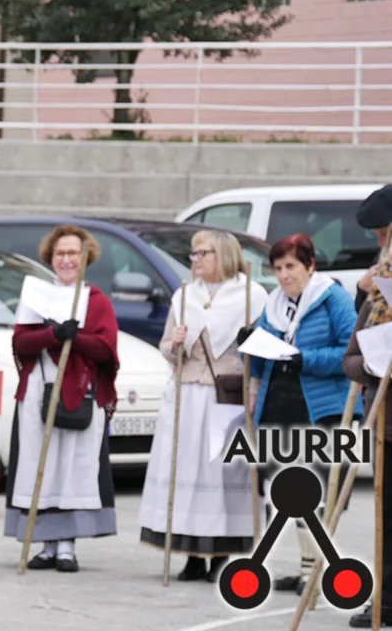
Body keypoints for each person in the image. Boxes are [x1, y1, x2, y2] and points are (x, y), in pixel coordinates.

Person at [138, 230, 268, 582]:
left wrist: (255, 389)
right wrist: (176, 344)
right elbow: (168, 349)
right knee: (185, 475)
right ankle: (191, 554)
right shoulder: (185, 295)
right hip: (187, 394)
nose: (195, 260)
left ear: (223, 254)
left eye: (203, 253)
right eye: (193, 254)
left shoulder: (252, 295)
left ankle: (221, 554)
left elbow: (262, 353)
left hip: (226, 395)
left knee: (221, 475)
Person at [241, 233, 361, 597]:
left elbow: (350, 352)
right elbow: (261, 355)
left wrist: (305, 358)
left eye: (290, 266)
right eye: (277, 268)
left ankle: (315, 570)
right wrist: (248, 343)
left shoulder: (333, 298)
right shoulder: (275, 304)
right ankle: (306, 566)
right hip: (280, 402)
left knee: (316, 490)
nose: (283, 275)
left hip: (321, 407)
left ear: (310, 265)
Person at [4, 224, 120, 573]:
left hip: (80, 391)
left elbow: (106, 349)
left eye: (73, 253)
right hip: (39, 390)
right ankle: (47, 544)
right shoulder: (36, 296)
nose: (66, 260)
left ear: (86, 258)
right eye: (60, 253)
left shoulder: (96, 301)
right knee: (43, 465)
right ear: (50, 258)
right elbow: (21, 342)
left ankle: (67, 545)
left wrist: (76, 337)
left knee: (72, 467)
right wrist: (54, 333)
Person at [343, 230, 392, 628]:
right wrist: (375, 365)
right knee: (387, 518)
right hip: (385, 425)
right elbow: (350, 359)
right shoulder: (377, 299)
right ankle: (387, 599)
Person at [354, 183, 392, 313]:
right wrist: (363, 290)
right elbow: (367, 321)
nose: (381, 244)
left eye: (385, 235)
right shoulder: (383, 263)